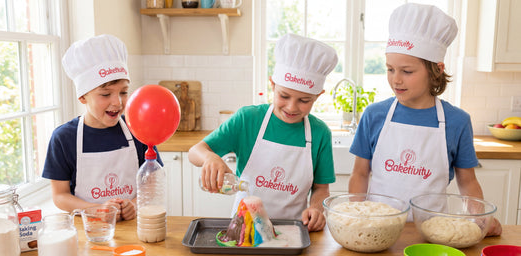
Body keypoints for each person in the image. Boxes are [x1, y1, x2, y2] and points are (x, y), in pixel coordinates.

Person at [348, 3, 502, 236]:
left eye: (407, 71)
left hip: (432, 233)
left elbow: (468, 182)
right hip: (376, 230)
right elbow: (360, 173)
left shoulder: (457, 121)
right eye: (390, 69)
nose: (395, 80)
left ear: (437, 70)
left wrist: (479, 218)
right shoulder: (374, 115)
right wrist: (355, 217)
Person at [188, 33, 338, 232]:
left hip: (294, 232)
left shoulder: (320, 134)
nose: (292, 107)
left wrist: (316, 209)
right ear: (272, 84)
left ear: (318, 96)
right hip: (244, 230)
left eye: (304, 100)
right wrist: (209, 158)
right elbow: (195, 151)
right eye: (284, 96)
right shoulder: (247, 119)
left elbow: (321, 188)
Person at [42, 34, 162, 221]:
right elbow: (60, 196)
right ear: (82, 96)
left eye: (123, 92)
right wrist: (96, 210)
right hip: (89, 229)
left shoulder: (137, 129)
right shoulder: (64, 138)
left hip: (134, 226)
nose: (118, 102)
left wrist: (135, 204)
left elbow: (152, 180)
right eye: (105, 94)